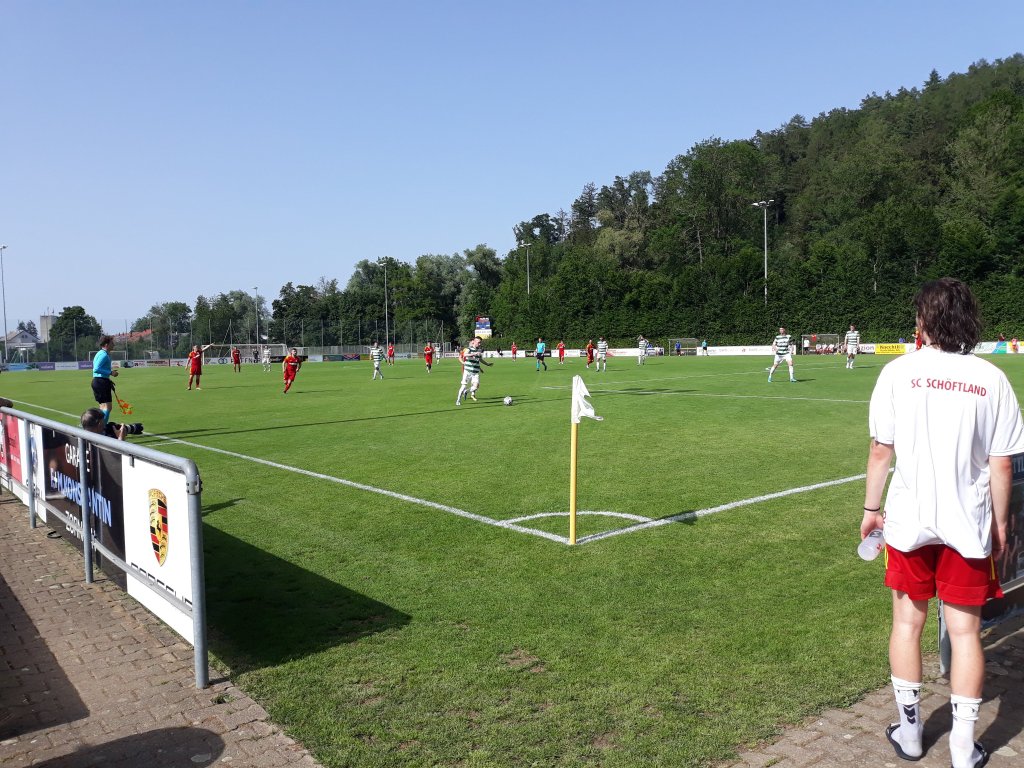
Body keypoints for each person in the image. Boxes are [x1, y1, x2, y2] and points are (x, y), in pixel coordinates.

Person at [862, 278, 1024, 768]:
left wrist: (871, 510)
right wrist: (1001, 525)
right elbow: (1001, 464)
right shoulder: (991, 378)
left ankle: (911, 735)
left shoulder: (898, 371)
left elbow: (881, 450)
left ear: (924, 319)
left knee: (906, 623)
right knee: (966, 632)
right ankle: (962, 746)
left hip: (909, 522)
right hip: (967, 524)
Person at [456, 336, 492, 405]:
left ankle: (466, 392)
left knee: (476, 386)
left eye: (480, 343)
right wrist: (474, 353)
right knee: (463, 386)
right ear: (474, 341)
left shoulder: (478, 351)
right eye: (478, 342)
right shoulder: (469, 349)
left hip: (475, 372)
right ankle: (458, 400)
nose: (479, 344)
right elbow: (465, 355)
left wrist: (487, 364)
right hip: (468, 371)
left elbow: (480, 360)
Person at [91, 335, 119, 424]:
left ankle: (97, 426)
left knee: (102, 407)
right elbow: (96, 369)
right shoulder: (103, 355)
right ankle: (102, 428)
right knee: (107, 407)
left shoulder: (100, 353)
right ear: (106, 344)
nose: (113, 344)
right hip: (101, 382)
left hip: (99, 381)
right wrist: (110, 372)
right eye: (112, 343)